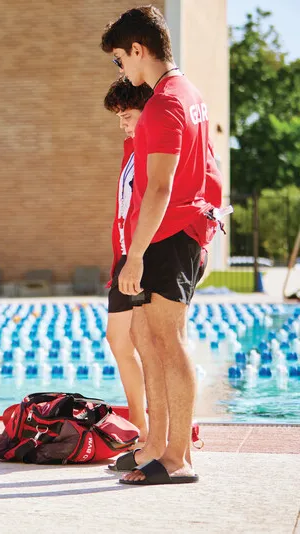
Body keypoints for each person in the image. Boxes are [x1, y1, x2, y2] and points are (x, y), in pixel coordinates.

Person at [101, 5, 224, 485]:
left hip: (167, 237)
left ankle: (178, 458)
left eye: (120, 59)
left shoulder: (166, 103)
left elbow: (160, 187)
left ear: (139, 49)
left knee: (167, 343)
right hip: (169, 234)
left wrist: (135, 254)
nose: (121, 70)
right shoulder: (185, 93)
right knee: (146, 340)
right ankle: (154, 444)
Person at [102, 77, 153, 444]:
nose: (122, 121)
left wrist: (136, 256)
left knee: (146, 342)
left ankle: (152, 427)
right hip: (126, 257)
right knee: (118, 338)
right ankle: (141, 423)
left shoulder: (154, 152)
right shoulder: (132, 150)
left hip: (147, 255)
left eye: (128, 114)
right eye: (119, 115)